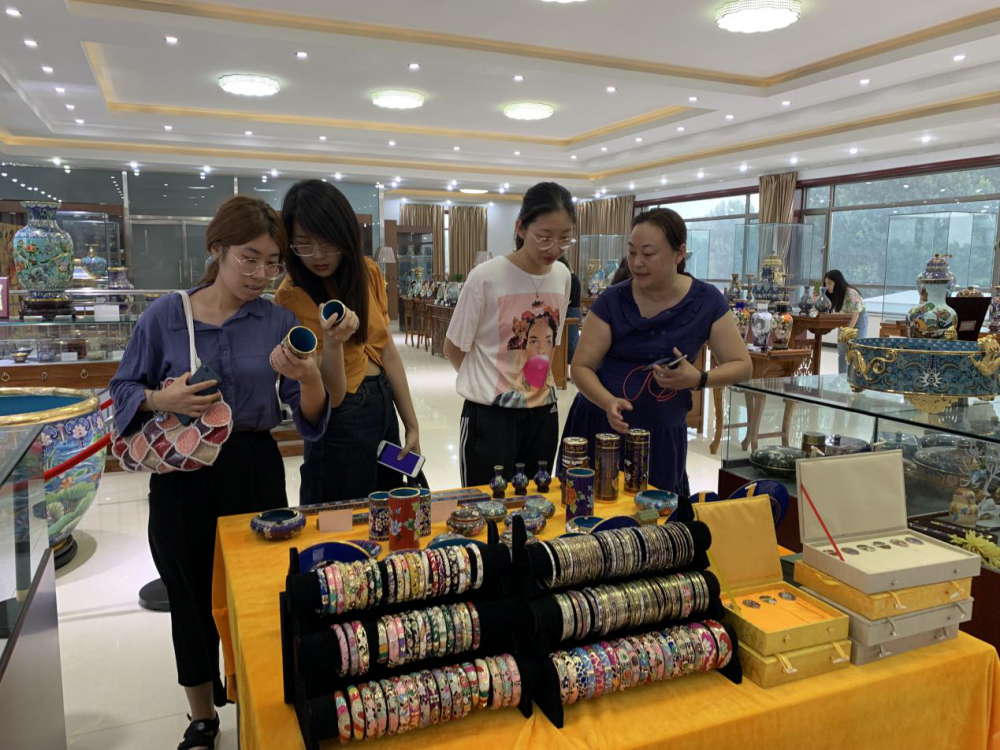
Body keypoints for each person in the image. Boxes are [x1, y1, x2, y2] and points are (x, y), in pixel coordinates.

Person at [109, 196, 329, 750]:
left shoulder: (277, 321)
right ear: (217, 250)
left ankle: (262, 699)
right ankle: (203, 716)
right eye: (248, 258)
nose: (260, 274)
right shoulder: (166, 316)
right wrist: (162, 398)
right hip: (182, 474)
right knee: (190, 600)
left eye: (272, 262)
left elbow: (309, 417)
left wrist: (309, 377)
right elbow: (121, 389)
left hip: (254, 466)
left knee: (261, 593)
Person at [561, 208, 752, 496]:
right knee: (593, 511)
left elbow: (742, 365)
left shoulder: (707, 301)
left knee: (658, 514)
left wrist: (699, 378)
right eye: (632, 252)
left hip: (662, 434)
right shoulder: (612, 300)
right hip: (601, 425)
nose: (637, 262)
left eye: (648, 254)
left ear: (679, 253)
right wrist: (608, 402)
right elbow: (581, 366)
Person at [275, 180, 421, 504]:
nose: (318, 256)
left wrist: (411, 424)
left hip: (382, 402)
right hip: (341, 419)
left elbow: (387, 351)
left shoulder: (366, 272)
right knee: (342, 516)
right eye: (304, 245)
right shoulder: (290, 298)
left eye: (328, 242)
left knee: (389, 506)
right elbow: (332, 397)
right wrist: (333, 342)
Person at [444, 182, 574, 486]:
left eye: (564, 239)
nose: (554, 248)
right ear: (520, 228)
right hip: (491, 417)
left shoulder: (563, 276)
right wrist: (487, 384)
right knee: (484, 502)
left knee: (536, 503)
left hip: (543, 414)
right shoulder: (486, 277)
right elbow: (453, 347)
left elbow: (552, 345)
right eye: (544, 237)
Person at [824, 269, 868, 373]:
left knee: (856, 349)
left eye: (830, 283)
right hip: (845, 318)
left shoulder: (850, 293)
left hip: (858, 319)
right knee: (842, 350)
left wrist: (847, 331)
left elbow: (856, 314)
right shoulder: (832, 294)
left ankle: (855, 377)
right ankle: (842, 377)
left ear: (837, 282)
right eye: (826, 283)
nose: (827, 286)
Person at [560, 255, 582, 363]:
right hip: (575, 310)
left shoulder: (570, 278)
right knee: (572, 340)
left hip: (570, 310)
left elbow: (568, 298)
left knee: (570, 341)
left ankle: (570, 363)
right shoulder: (574, 277)